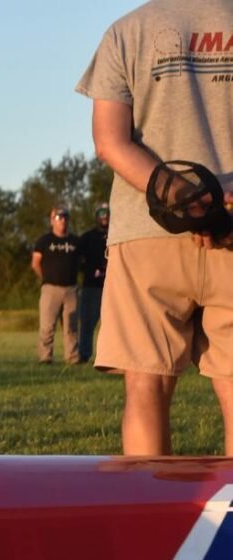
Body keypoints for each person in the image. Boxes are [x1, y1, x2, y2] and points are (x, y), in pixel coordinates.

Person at [78, 1, 233, 455]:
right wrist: (218, 200)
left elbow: (110, 142)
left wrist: (185, 198)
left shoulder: (127, 31)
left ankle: (149, 502)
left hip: (148, 232)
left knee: (147, 387)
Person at [30, 206, 81, 365]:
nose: (62, 220)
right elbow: (35, 263)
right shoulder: (44, 241)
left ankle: (72, 357)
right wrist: (46, 278)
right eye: (58, 217)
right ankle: (45, 357)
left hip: (71, 289)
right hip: (51, 289)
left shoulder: (75, 241)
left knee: (71, 326)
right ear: (52, 220)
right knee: (47, 326)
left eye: (65, 217)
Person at [78, 203, 109, 363]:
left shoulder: (116, 235)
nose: (105, 216)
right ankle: (84, 354)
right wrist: (89, 270)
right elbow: (77, 259)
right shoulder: (87, 237)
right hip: (91, 286)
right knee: (87, 323)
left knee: (112, 325)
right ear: (96, 216)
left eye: (107, 213)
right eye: (101, 213)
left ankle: (110, 357)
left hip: (113, 287)